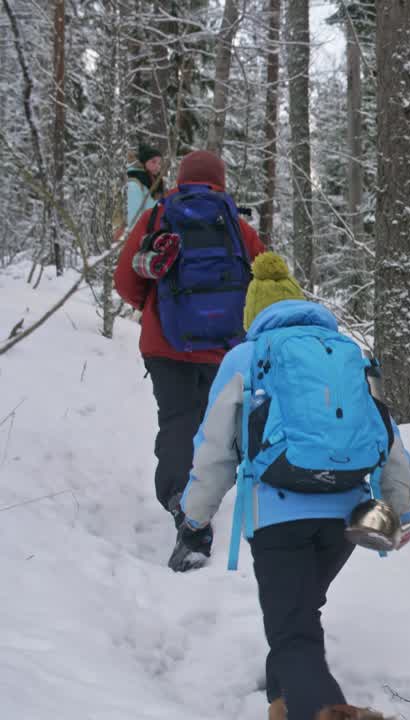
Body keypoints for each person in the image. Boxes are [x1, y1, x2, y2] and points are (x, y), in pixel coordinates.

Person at [180, 252, 410, 720]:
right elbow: (387, 437)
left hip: (278, 516)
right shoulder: (345, 354)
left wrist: (195, 514)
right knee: (298, 612)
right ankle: (283, 700)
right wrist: (402, 510)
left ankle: (322, 710)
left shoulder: (244, 357)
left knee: (292, 630)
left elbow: (215, 450)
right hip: (345, 517)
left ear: (253, 315)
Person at [114, 150, 267, 572]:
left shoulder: (158, 217)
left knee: (179, 421)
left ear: (181, 178)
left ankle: (183, 504)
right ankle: (209, 498)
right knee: (216, 427)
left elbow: (125, 278)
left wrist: (151, 307)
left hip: (166, 346)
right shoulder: (236, 226)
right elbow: (268, 280)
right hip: (224, 348)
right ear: (221, 180)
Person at [121, 143, 165, 237]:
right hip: (139, 240)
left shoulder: (153, 184)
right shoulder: (134, 185)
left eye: (159, 163)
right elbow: (134, 222)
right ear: (143, 163)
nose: (158, 166)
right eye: (153, 162)